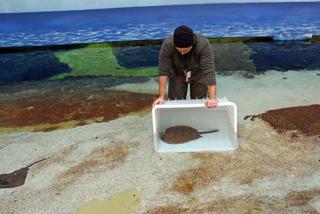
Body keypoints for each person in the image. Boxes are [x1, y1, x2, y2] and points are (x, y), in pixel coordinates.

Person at [152, 25, 217, 108]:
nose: (182, 53)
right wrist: (161, 97)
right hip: (177, 73)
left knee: (200, 102)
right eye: (179, 50)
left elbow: (209, 71)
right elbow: (163, 72)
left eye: (185, 50)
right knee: (175, 102)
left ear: (192, 44)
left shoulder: (203, 44)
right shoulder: (167, 45)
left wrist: (213, 98)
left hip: (198, 73)